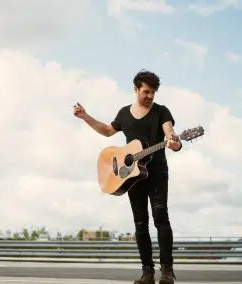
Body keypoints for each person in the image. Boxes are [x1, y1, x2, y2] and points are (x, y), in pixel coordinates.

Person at [73, 69, 181, 284]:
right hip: (132, 175)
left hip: (157, 172)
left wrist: (174, 142)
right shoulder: (124, 113)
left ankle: (167, 272)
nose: (150, 96)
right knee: (140, 223)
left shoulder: (161, 111)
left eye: (153, 93)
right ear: (136, 89)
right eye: (146, 92)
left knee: (161, 218)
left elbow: (170, 135)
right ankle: (147, 273)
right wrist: (85, 116)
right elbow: (106, 130)